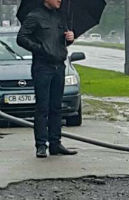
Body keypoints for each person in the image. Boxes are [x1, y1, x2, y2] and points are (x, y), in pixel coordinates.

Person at [17, 0, 77, 158]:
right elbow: (21, 38)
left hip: (59, 66)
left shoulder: (61, 16)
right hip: (42, 67)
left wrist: (70, 38)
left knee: (56, 107)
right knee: (42, 107)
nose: (60, 0)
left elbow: (63, 40)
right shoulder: (34, 16)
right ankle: (41, 145)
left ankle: (55, 144)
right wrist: (40, 48)